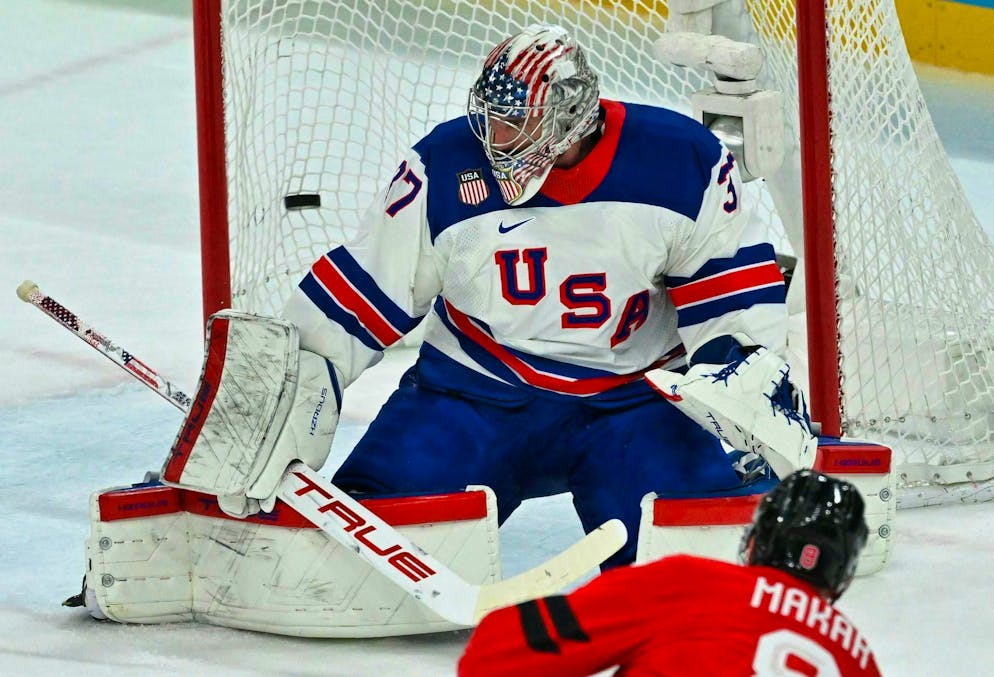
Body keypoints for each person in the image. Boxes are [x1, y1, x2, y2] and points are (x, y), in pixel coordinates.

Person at [168, 23, 804, 569]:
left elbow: (732, 297)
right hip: (474, 394)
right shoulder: (445, 166)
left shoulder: (681, 160)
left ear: (569, 118)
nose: (495, 137)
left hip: (636, 405)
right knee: (357, 557)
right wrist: (278, 403)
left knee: (698, 570)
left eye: (515, 122)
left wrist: (738, 380)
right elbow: (361, 294)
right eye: (492, 117)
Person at [458, 469, 884, 676]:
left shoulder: (693, 584)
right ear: (842, 574)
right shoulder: (860, 661)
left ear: (756, 541)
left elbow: (492, 657)